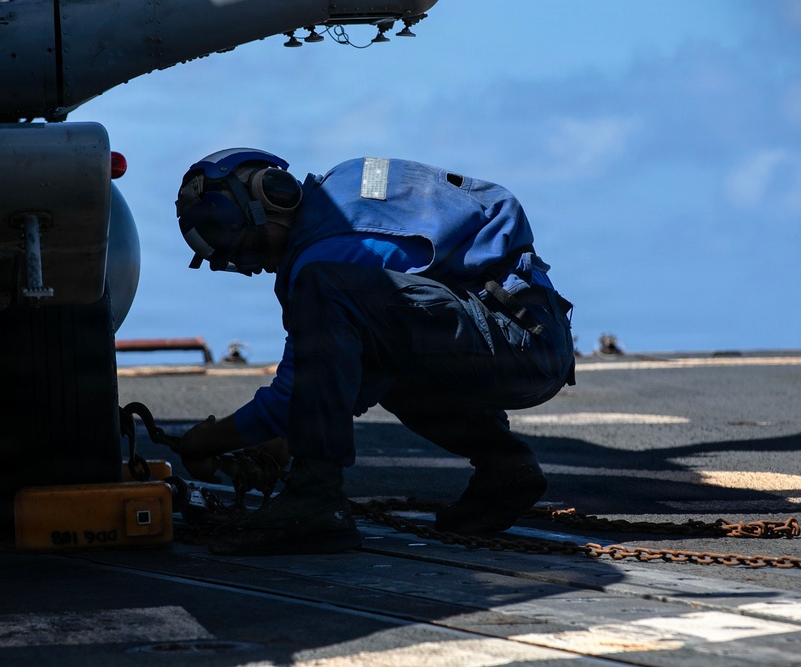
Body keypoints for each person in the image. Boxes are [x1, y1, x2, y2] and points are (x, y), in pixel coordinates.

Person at [173, 148, 575, 556]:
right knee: (376, 351)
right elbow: (346, 368)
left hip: (515, 337)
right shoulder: (343, 189)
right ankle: (506, 469)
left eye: (245, 246)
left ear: (269, 198)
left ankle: (315, 496)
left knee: (323, 288)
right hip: (526, 334)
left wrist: (207, 441)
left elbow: (293, 392)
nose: (254, 265)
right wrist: (286, 436)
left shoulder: (328, 249)